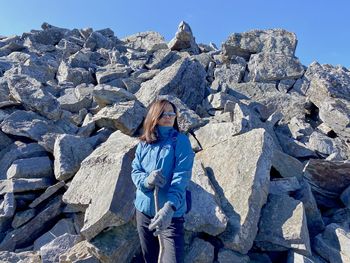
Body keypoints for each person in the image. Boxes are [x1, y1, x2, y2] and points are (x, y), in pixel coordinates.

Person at [131, 99, 195, 263]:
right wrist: (147, 181)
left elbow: (181, 178)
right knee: (150, 258)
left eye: (172, 113)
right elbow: (135, 171)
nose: (168, 116)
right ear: (154, 116)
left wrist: (169, 208)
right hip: (143, 213)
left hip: (170, 216)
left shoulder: (180, 141)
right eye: (163, 113)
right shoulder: (143, 143)